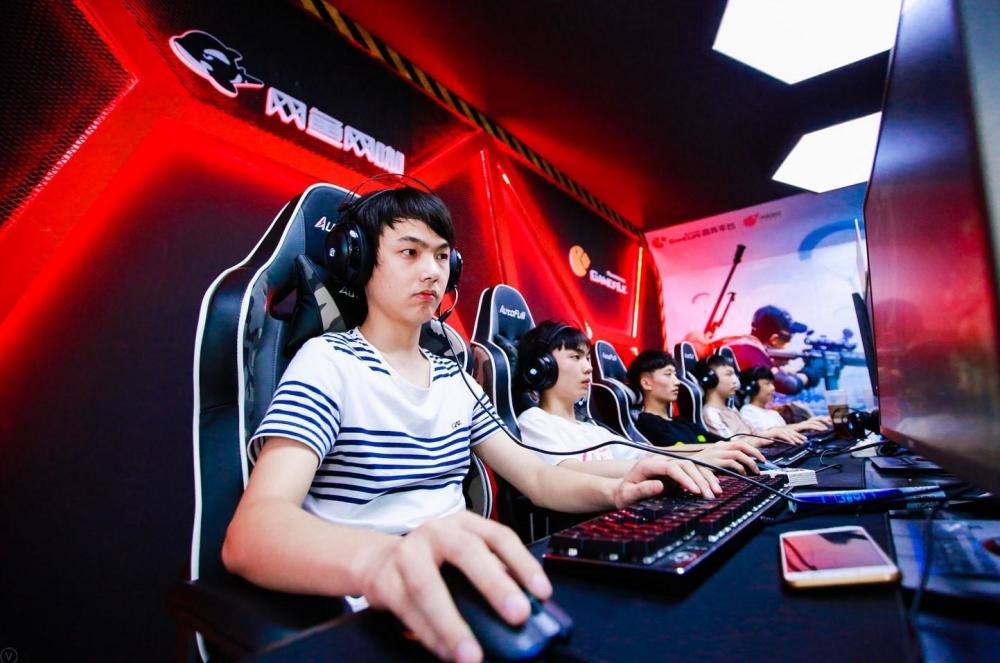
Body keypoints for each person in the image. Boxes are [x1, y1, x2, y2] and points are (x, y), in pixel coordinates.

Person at [222, 184, 719, 663]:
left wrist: (618, 490)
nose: (432, 272)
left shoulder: (453, 377)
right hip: (373, 603)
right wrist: (383, 560)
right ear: (359, 260)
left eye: (442, 256)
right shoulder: (328, 362)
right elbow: (253, 531)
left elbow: (537, 476)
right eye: (410, 252)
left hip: (467, 588)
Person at [516, 321, 765, 477]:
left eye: (588, 358)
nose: (588, 368)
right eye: (575, 357)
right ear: (542, 367)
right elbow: (567, 472)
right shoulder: (535, 420)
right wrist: (691, 459)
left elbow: (647, 454)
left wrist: (715, 450)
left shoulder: (592, 429)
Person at [629, 349, 745, 447]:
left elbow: (722, 442)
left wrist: (748, 442)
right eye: (668, 374)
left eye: (675, 374)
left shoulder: (682, 422)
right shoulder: (648, 423)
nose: (677, 382)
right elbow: (679, 452)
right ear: (646, 383)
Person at [703, 305, 823, 395]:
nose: (787, 346)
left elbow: (778, 374)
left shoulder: (743, 345)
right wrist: (810, 374)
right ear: (774, 339)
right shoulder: (750, 352)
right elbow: (789, 384)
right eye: (787, 340)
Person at [695, 354, 806, 444]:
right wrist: (769, 435)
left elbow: (754, 434)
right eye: (729, 374)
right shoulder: (711, 413)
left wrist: (775, 433)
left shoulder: (731, 409)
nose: (735, 381)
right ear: (710, 379)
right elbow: (731, 445)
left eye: (734, 375)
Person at [738, 366, 831, 434]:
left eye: (772, 384)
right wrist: (803, 425)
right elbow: (766, 434)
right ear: (753, 387)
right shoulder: (747, 411)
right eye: (767, 384)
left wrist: (811, 423)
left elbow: (784, 430)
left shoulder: (772, 413)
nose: (773, 388)